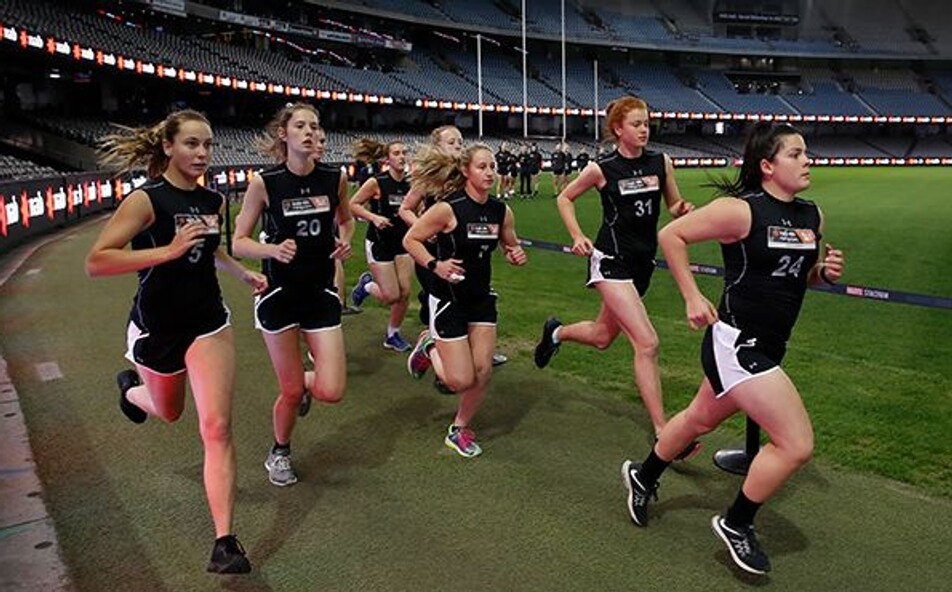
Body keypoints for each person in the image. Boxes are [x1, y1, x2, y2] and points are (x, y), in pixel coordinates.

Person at [620, 121, 845, 575]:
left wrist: (822, 274)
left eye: (806, 153)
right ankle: (737, 522)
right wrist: (691, 295)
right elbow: (671, 236)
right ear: (767, 166)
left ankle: (642, 475)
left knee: (698, 419)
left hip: (771, 345)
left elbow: (793, 276)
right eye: (796, 154)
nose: (807, 161)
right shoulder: (741, 211)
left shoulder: (812, 216)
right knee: (796, 444)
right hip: (737, 345)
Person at [86, 109, 265, 574]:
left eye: (208, 144)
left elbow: (210, 247)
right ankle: (130, 390)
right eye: (191, 143)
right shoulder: (146, 200)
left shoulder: (213, 200)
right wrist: (166, 251)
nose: (202, 153)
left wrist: (240, 271)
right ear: (168, 146)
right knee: (169, 411)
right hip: (158, 328)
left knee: (217, 427)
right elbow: (98, 261)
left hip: (208, 322)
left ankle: (224, 542)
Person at [534, 96, 697, 452]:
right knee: (647, 342)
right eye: (636, 124)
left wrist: (683, 209)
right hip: (611, 261)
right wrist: (577, 235)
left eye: (647, 123)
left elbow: (672, 204)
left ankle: (556, 333)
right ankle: (664, 432)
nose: (644, 130)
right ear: (618, 129)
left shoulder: (661, 162)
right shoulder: (602, 168)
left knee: (602, 336)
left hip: (642, 264)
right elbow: (564, 198)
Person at [232, 103, 353, 487]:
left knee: (332, 390)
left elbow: (346, 220)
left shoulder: (335, 178)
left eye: (314, 126)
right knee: (290, 390)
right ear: (284, 134)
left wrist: (344, 241)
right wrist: (271, 250)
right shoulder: (264, 183)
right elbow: (238, 243)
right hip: (279, 295)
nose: (309, 132)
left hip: (320, 292)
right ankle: (279, 451)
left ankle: (303, 385)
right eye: (300, 125)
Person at [403, 144, 527, 457]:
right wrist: (435, 265)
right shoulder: (448, 209)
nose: (490, 173)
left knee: (483, 372)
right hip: (449, 299)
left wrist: (515, 253)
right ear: (465, 171)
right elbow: (411, 239)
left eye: (492, 167)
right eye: (482, 167)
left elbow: (510, 245)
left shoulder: (501, 211)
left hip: (481, 298)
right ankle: (429, 346)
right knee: (460, 380)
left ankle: (458, 429)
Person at [348, 138, 414, 351]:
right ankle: (367, 285)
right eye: (396, 153)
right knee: (391, 296)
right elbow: (353, 205)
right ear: (387, 159)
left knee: (405, 292)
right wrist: (373, 217)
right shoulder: (376, 182)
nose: (402, 157)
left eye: (404, 152)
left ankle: (393, 334)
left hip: (403, 242)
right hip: (380, 242)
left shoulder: (411, 184)